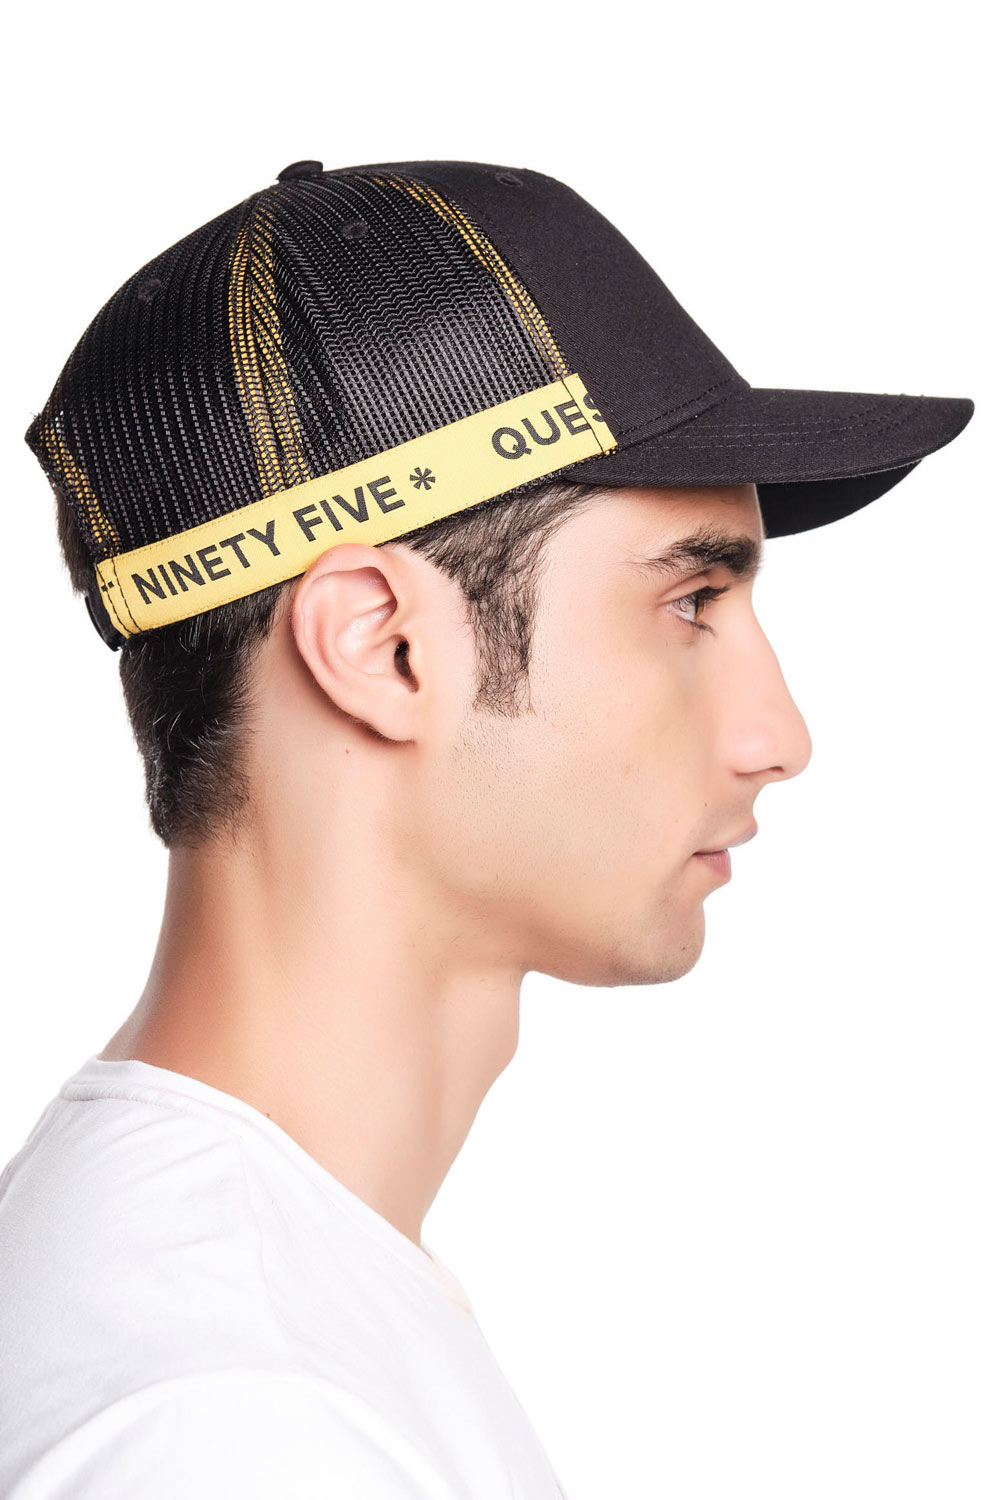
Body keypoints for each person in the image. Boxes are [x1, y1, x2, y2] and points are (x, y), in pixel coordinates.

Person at [1, 158, 973, 1497]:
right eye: (691, 603)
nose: (779, 737)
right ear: (383, 648)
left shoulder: (268, 1296)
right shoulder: (231, 1419)